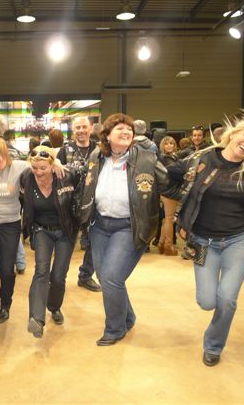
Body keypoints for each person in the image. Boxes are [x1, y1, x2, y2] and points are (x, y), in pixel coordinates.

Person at [168, 109, 244, 366]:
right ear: (233, 134)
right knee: (207, 301)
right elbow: (167, 173)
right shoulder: (201, 158)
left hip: (239, 240)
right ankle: (214, 329)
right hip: (202, 241)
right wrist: (181, 206)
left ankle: (213, 345)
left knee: (227, 299)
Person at [77, 113, 168, 346]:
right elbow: (83, 179)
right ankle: (128, 317)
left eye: (129, 129)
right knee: (106, 276)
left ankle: (115, 328)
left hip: (129, 227)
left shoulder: (146, 158)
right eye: (120, 129)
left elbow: (168, 183)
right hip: (99, 225)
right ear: (107, 135)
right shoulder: (97, 156)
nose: (126, 132)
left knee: (111, 278)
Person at [0, 137, 61, 323]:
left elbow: (43, 162)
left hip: (10, 221)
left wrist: (57, 163)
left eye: (2, 155)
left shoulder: (19, 167)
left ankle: (5, 306)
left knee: (7, 270)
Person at [21, 146, 79, 338]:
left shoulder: (65, 176)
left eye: (43, 168)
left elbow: (85, 173)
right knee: (41, 270)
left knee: (58, 276)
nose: (38, 172)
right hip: (41, 230)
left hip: (65, 231)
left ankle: (54, 307)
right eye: (35, 168)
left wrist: (60, 162)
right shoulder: (27, 177)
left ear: (52, 165)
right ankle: (36, 319)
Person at [56, 115, 101, 292]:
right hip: (69, 204)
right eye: (77, 127)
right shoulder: (64, 150)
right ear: (73, 130)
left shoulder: (99, 149)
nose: (81, 130)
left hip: (93, 203)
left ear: (90, 129)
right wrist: (55, 162)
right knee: (67, 242)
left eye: (84, 127)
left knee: (94, 242)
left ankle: (86, 276)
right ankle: (59, 278)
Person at [157, 136, 180, 256]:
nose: (169, 146)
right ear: (163, 146)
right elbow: (173, 173)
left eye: (171, 143)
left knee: (167, 219)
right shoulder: (165, 158)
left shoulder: (172, 157)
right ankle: (169, 246)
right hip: (170, 191)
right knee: (170, 219)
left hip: (168, 191)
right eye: (166, 144)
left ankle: (161, 243)